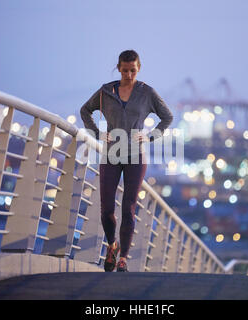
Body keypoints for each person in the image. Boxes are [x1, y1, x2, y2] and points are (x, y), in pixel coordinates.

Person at [80, 50, 173, 272]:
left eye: (132, 70)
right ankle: (112, 245)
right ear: (118, 69)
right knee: (106, 209)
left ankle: (123, 258)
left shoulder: (147, 93)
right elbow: (85, 111)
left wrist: (150, 136)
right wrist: (96, 133)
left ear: (138, 68)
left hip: (135, 157)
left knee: (129, 209)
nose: (129, 75)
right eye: (124, 70)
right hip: (111, 155)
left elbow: (167, 117)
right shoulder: (105, 92)